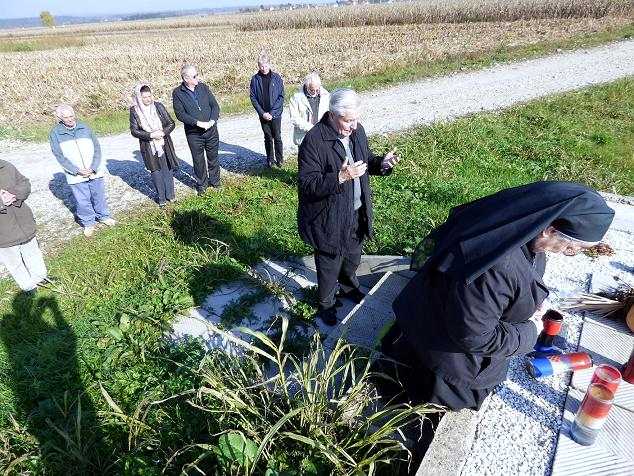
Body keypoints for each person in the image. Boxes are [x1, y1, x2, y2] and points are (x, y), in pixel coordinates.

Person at [382, 181, 615, 411]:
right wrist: (531, 330)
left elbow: (516, 282)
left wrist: (533, 300)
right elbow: (474, 337)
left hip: (440, 330)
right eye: (572, 248)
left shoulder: (523, 233)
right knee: (415, 409)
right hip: (443, 368)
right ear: (550, 230)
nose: (569, 253)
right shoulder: (495, 268)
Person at [297, 88, 399, 326]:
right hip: (328, 217)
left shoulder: (357, 131)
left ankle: (349, 288)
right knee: (329, 264)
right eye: (348, 120)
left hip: (356, 212)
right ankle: (326, 304)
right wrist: (340, 177)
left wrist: (381, 163)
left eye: (356, 119)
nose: (353, 126)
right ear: (333, 115)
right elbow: (307, 184)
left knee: (353, 258)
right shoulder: (314, 140)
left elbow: (366, 160)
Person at [49, 105, 115, 238]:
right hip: (76, 175)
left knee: (99, 195)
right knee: (82, 200)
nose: (70, 119)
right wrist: (76, 170)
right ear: (60, 118)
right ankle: (88, 222)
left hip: (94, 170)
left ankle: (103, 216)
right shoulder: (55, 133)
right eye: (66, 117)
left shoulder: (84, 127)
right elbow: (59, 156)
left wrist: (94, 167)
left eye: (71, 116)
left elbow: (97, 148)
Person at [0, 160, 48, 293]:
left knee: (33, 253)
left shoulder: (6, 166)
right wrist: (1, 202)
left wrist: (14, 194)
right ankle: (28, 287)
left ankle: (40, 278)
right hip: (3, 232)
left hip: (24, 221)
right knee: (13, 262)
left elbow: (25, 183)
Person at [172, 64, 221, 194]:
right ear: (186, 78)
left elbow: (215, 106)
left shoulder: (203, 87)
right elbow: (180, 114)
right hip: (194, 134)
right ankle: (202, 185)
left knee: (213, 158)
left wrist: (212, 120)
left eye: (197, 74)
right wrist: (198, 123)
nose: (197, 77)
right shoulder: (178, 93)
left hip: (211, 130)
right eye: (194, 76)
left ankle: (215, 182)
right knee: (198, 161)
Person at [130, 83, 179, 207]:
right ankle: (161, 198)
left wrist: (162, 132)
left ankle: (171, 195)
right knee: (155, 171)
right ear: (139, 98)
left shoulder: (158, 106)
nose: (148, 99)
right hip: (148, 146)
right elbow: (134, 131)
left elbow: (171, 123)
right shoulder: (135, 111)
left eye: (149, 96)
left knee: (167, 169)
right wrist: (151, 135)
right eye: (144, 97)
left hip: (164, 142)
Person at [249, 53, 285, 167]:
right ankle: (270, 159)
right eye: (261, 66)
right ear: (258, 66)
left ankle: (280, 159)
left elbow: (281, 96)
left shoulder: (277, 78)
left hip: (276, 114)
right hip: (263, 114)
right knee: (268, 137)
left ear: (269, 64)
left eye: (265, 65)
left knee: (277, 137)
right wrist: (262, 113)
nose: (263, 68)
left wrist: (272, 113)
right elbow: (253, 97)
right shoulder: (255, 79)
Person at [288, 71, 330, 146]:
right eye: (312, 90)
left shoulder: (326, 96)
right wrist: (311, 128)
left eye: (317, 90)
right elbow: (294, 118)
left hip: (322, 135)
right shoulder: (296, 98)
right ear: (307, 86)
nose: (315, 92)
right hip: (304, 137)